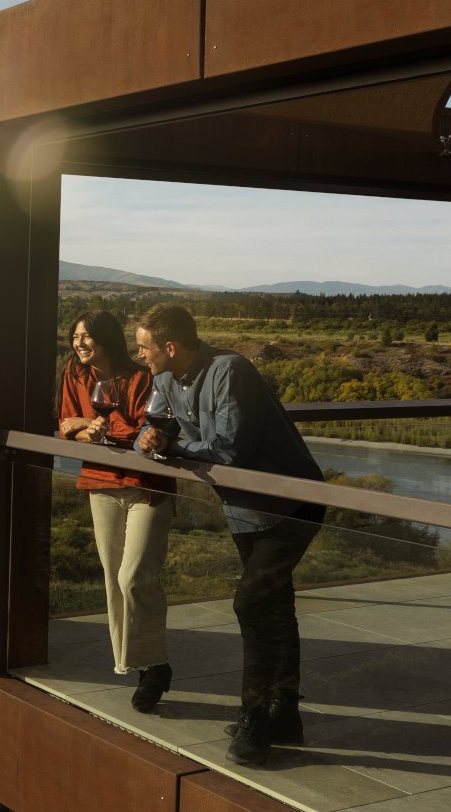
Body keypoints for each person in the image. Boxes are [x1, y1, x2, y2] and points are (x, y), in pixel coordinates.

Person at [131, 301, 325, 765]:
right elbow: (152, 426)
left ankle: (255, 720)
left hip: (291, 505)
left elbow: (230, 449)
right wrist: (148, 439)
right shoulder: (162, 380)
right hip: (245, 510)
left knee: (252, 604)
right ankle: (286, 715)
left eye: (143, 348)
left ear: (170, 346)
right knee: (275, 608)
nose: (140, 356)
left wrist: (174, 446)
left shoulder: (229, 370)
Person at [56, 310, 175, 712]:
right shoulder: (74, 374)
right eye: (75, 337)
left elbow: (147, 430)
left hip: (146, 487)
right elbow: (64, 425)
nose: (79, 343)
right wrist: (82, 427)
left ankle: (155, 662)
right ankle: (137, 665)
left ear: (107, 338)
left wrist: (90, 424)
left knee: (134, 577)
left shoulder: (141, 377)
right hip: (100, 482)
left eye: (87, 336)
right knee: (112, 578)